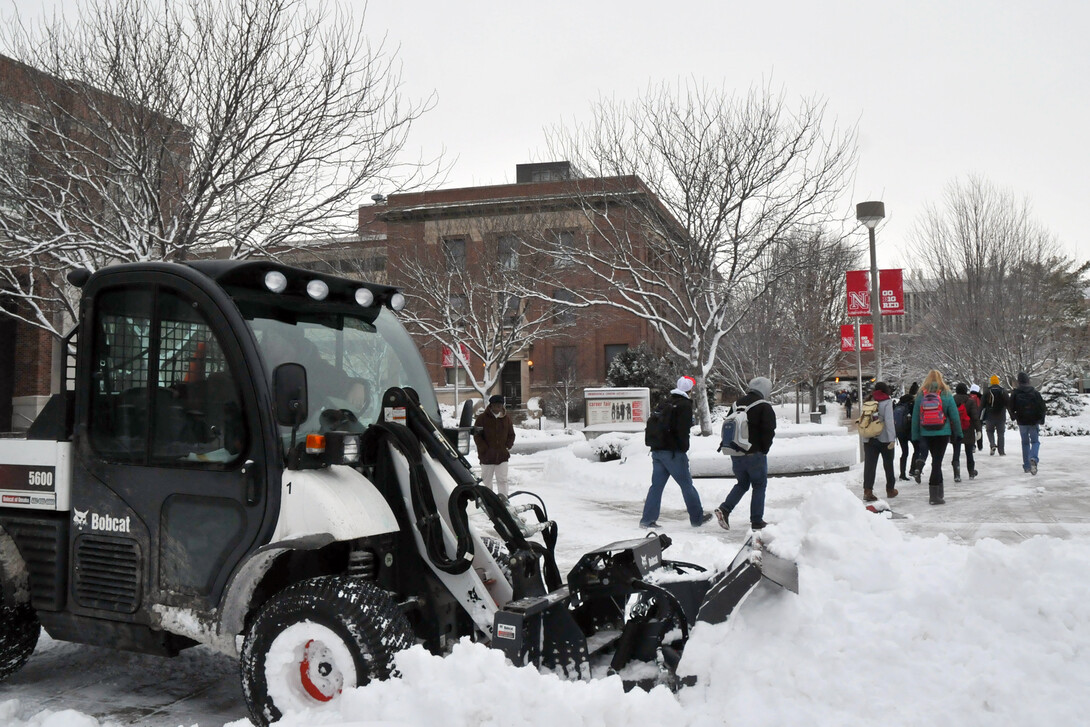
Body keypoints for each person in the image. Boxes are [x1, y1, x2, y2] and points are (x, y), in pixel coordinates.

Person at [640, 377, 712, 528]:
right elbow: (682, 431)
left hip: (657, 451)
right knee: (687, 485)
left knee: (656, 487)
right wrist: (683, 449)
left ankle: (647, 520)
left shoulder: (665, 402)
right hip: (673, 453)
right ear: (689, 390)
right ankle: (697, 518)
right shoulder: (684, 405)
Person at [714, 376, 777, 531]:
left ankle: (725, 509)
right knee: (759, 485)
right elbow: (769, 431)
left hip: (735, 453)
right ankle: (756, 521)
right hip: (755, 454)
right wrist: (764, 449)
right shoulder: (764, 406)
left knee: (742, 484)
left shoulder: (736, 405)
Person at [910, 369, 963, 505]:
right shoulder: (946, 393)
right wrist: (958, 433)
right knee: (937, 462)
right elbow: (954, 416)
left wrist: (915, 435)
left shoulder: (921, 395)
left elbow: (915, 417)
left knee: (935, 462)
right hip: (942, 432)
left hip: (925, 432)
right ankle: (935, 495)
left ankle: (938, 493)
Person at [860, 381, 898, 502]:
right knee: (888, 464)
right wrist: (892, 438)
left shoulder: (868, 400)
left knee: (870, 466)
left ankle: (868, 491)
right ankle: (890, 489)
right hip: (885, 439)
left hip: (869, 438)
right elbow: (889, 421)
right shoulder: (887, 402)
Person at [474, 395, 516, 496]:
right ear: (491, 406)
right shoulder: (482, 418)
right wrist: (484, 448)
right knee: (486, 481)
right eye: (496, 405)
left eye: (500, 405)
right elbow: (477, 435)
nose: (498, 407)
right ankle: (488, 501)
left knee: (503, 480)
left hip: (502, 456)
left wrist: (507, 446)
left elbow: (511, 434)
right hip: (486, 456)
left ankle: (503, 500)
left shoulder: (506, 419)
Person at [1008, 371, 1046, 475]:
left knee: (1025, 443)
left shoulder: (1015, 393)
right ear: (1028, 380)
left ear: (1019, 381)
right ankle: (1033, 457)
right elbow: (1042, 407)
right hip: (1033, 421)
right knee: (1035, 441)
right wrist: (1041, 419)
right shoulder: (1034, 392)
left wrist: (1014, 417)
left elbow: (1010, 407)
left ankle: (1027, 466)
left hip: (1022, 421)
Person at [951, 383, 981, 481]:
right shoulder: (970, 401)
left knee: (956, 452)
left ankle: (957, 474)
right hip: (968, 429)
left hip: (955, 429)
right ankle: (971, 472)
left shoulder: (952, 400)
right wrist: (978, 430)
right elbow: (975, 417)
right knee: (969, 453)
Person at [894, 382, 918, 481]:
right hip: (910, 430)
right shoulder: (912, 403)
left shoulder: (900, 403)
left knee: (904, 452)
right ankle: (912, 469)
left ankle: (902, 474)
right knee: (917, 449)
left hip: (900, 431)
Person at [983, 375, 1009, 456]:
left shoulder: (987, 391)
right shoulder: (1003, 391)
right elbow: (1008, 404)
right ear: (998, 382)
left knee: (989, 431)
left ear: (991, 382)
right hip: (1001, 416)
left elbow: (982, 405)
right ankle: (1001, 451)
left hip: (990, 416)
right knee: (1001, 433)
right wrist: (1012, 415)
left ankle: (992, 444)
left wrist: (979, 415)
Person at [969, 384, 985, 452]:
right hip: (979, 417)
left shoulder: (968, 397)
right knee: (979, 431)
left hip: (970, 417)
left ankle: (972, 446)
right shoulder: (980, 397)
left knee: (971, 432)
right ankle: (980, 446)